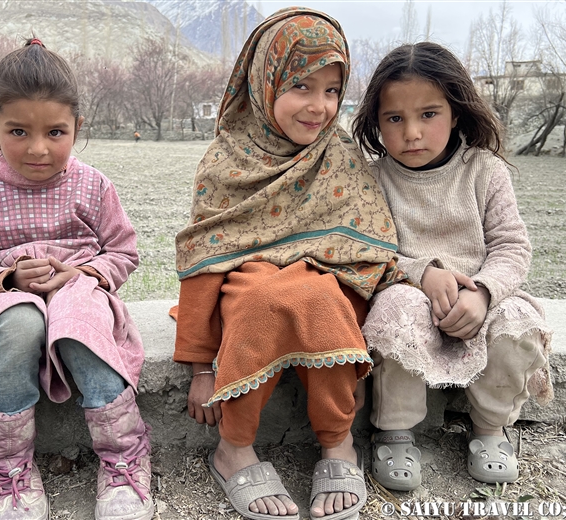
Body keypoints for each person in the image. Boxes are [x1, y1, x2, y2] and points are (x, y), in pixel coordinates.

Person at [172, 8, 405, 520]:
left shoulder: (339, 154)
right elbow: (205, 258)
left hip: (328, 279)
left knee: (321, 299)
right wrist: (200, 366)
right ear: (265, 80)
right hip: (250, 283)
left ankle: (338, 441)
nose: (318, 106)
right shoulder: (226, 160)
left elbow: (368, 254)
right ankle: (234, 448)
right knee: (263, 301)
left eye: (331, 89)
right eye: (301, 85)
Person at [0, 38, 153, 520]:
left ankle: (123, 460)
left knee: (78, 323)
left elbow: (123, 251)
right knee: (20, 325)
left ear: (78, 127)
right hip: (8, 301)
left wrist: (85, 272)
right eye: (18, 131)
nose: (38, 149)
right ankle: (8, 470)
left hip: (78, 289)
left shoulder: (94, 186)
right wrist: (7, 278)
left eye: (55, 132)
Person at [351, 42, 554, 492]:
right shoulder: (374, 179)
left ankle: (490, 428)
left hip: (479, 303)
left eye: (429, 114)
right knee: (396, 309)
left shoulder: (485, 170)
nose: (412, 134)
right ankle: (395, 430)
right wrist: (422, 272)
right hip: (409, 295)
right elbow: (367, 251)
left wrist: (482, 292)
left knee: (519, 322)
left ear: (457, 111)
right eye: (394, 119)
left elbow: (512, 245)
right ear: (376, 122)